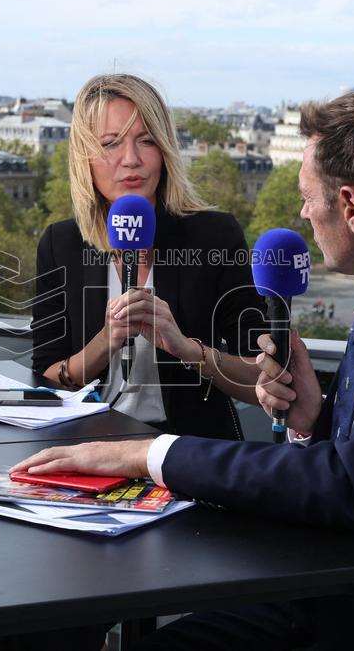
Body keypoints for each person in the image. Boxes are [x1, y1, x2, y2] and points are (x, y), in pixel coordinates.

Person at [14, 87, 354, 650]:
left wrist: (144, 453)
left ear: (350, 206)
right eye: (111, 144)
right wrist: (311, 419)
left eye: (306, 196)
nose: (301, 214)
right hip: (337, 580)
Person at [32, 73, 267, 441]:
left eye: (146, 140)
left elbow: (260, 377)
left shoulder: (214, 236)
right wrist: (106, 341)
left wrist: (187, 348)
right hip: (88, 446)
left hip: (188, 452)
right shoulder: (60, 243)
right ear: (85, 158)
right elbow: (46, 375)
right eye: (110, 144)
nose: (131, 160)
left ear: (165, 150)